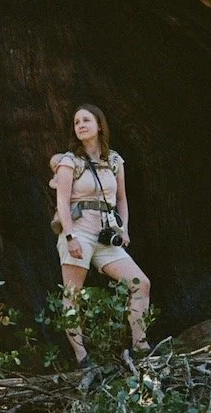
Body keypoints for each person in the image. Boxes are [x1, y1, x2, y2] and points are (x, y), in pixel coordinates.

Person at [50, 103, 151, 365]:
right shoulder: (69, 162)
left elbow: (122, 200)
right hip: (78, 232)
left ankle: (141, 345)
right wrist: (70, 236)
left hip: (105, 235)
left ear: (99, 125)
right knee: (73, 294)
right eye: (76, 122)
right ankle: (82, 357)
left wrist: (124, 229)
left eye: (86, 120)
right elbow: (61, 202)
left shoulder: (114, 161)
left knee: (140, 283)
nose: (80, 125)